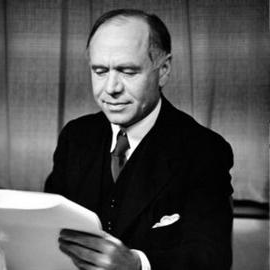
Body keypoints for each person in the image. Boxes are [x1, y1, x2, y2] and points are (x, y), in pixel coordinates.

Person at [44, 9, 233, 270]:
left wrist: (137, 265)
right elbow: (50, 233)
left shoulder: (204, 150)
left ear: (163, 70)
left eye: (128, 71)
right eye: (100, 71)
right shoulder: (75, 137)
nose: (110, 88)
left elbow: (213, 258)